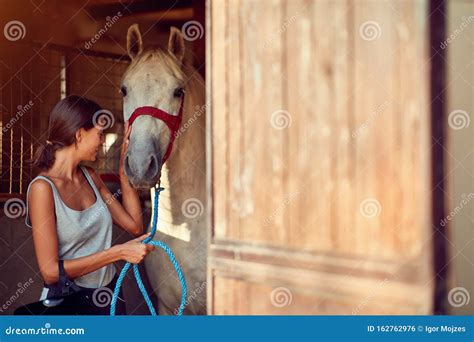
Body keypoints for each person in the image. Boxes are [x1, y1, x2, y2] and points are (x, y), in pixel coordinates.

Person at [23, 95, 154, 315]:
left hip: (109, 294)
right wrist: (116, 253)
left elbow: (134, 226)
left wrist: (124, 173)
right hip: (71, 302)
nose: (102, 141)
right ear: (80, 134)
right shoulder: (42, 189)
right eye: (100, 134)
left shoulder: (90, 177)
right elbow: (50, 272)